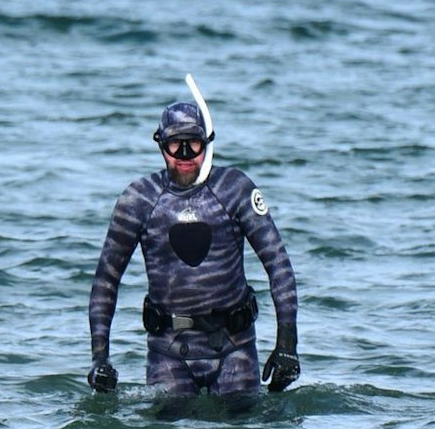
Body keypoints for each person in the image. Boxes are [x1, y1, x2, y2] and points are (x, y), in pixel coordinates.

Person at [87, 94, 299, 397]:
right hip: (168, 353)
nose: (185, 154)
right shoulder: (139, 200)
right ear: (161, 144)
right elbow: (106, 281)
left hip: (234, 349)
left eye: (194, 144)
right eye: (175, 145)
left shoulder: (235, 190)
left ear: (207, 143)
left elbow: (278, 265)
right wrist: (99, 359)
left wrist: (287, 346)